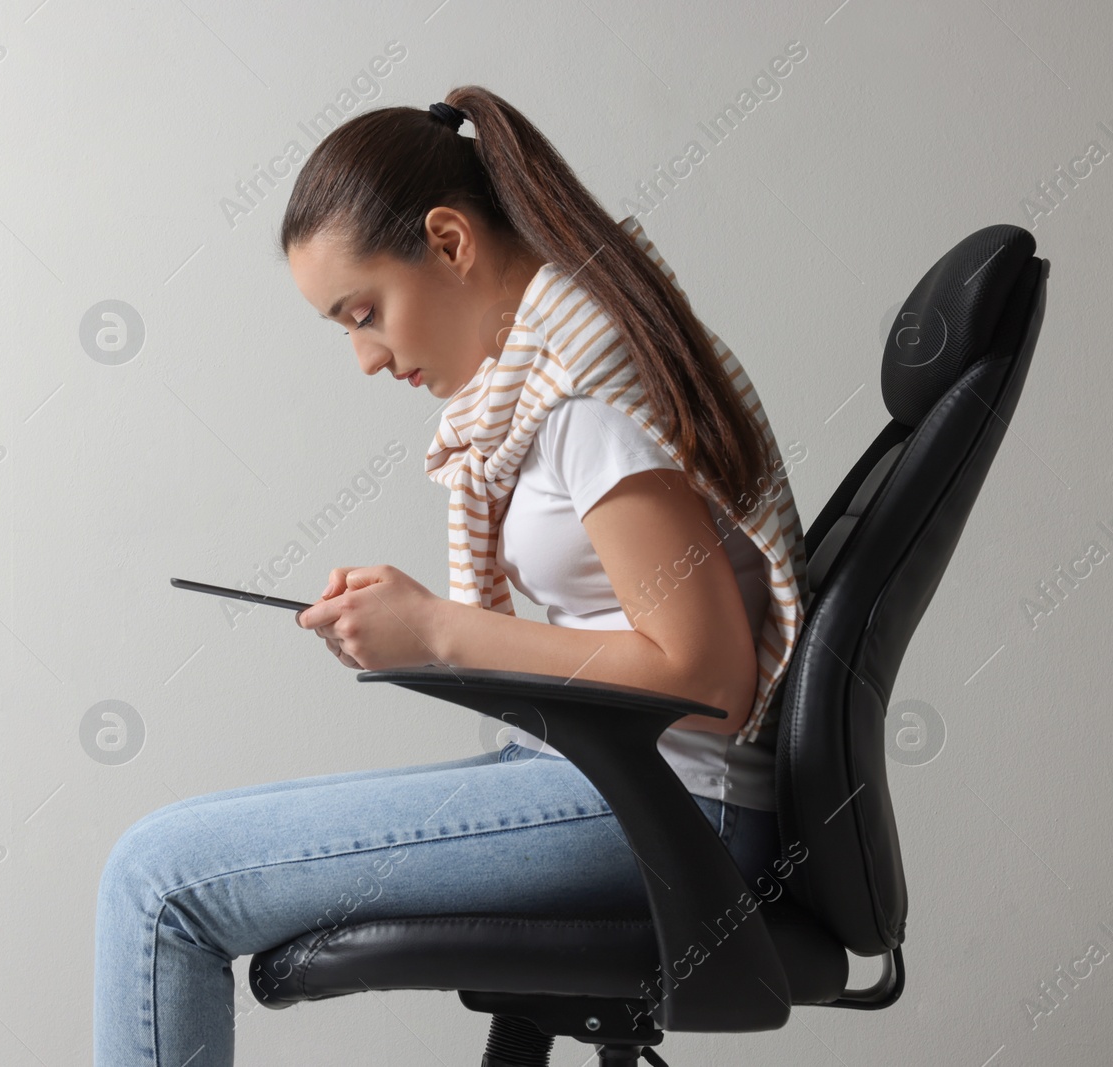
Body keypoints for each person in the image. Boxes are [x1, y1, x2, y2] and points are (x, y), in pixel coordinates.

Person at [93, 86, 809, 1067]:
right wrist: (420, 626)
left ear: (448, 240)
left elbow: (708, 680)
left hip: (669, 807)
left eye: (363, 311)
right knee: (157, 865)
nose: (364, 356)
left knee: (156, 878)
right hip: (629, 784)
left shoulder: (583, 393)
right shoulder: (555, 371)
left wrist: (437, 632)